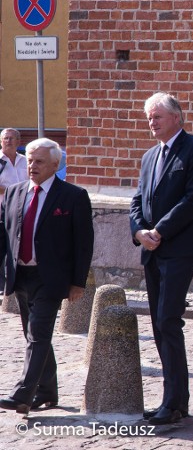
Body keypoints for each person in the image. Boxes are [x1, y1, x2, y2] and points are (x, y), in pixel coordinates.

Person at [129, 92, 193, 425]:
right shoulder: (150, 155)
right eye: (149, 117)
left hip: (180, 246)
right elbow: (137, 200)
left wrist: (159, 230)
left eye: (158, 116)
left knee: (168, 320)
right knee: (158, 324)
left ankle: (173, 400)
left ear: (177, 117)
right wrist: (139, 231)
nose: (152, 121)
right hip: (152, 249)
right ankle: (175, 401)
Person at [0, 138, 94, 415]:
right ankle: (47, 392)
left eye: (39, 161)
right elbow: (5, 235)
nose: (32, 166)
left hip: (51, 277)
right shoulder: (15, 192)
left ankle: (22, 395)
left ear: (55, 164)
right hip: (21, 275)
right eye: (29, 160)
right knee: (35, 336)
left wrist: (77, 282)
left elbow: (83, 243)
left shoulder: (73, 196)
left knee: (39, 335)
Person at [0, 128, 28, 295]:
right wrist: (13, 190)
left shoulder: (25, 161)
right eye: (5, 138)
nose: (9, 141)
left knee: (15, 249)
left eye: (12, 138)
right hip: (1, 212)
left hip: (21, 213)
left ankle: (14, 283)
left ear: (18, 142)